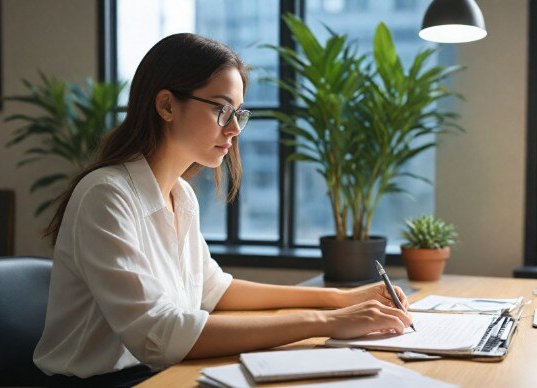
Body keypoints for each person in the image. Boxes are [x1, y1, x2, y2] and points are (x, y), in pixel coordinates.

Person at [33, 33, 412, 386]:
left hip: (159, 372)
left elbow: (215, 290)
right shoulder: (106, 196)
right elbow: (158, 334)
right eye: (221, 109)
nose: (234, 129)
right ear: (166, 105)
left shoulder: (180, 194)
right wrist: (326, 321)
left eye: (239, 114)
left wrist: (343, 298)